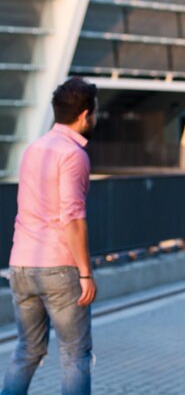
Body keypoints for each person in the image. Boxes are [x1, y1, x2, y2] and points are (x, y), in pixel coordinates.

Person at [2, 77, 98, 395]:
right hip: (59, 268)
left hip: (21, 265)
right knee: (75, 355)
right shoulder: (73, 155)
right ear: (85, 115)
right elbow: (72, 218)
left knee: (27, 351)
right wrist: (85, 273)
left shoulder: (33, 149)